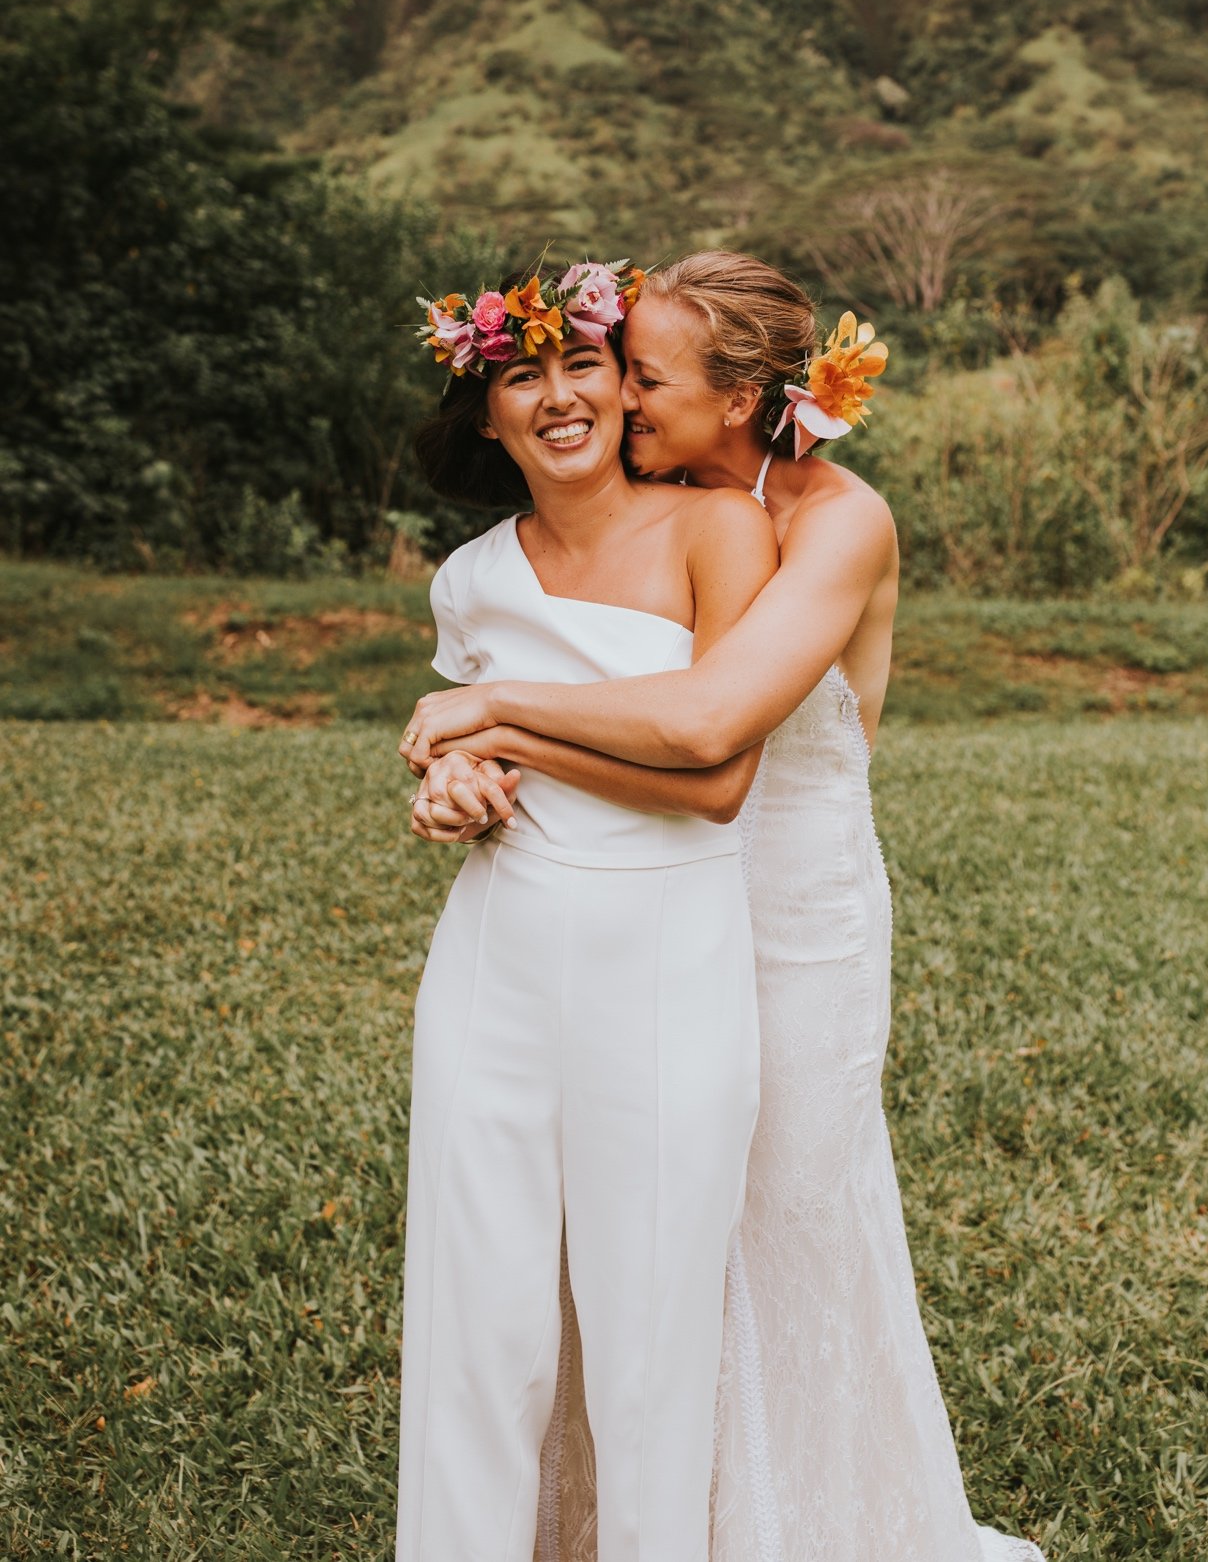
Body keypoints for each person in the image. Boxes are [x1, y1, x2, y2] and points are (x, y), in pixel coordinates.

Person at [406, 253, 1046, 1562]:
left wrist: (492, 717)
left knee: (782, 1218)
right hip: (637, 900)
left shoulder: (837, 518)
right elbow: (568, 632)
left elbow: (707, 728)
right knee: (633, 1234)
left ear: (742, 393)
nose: (622, 396)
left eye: (643, 375)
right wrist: (485, 751)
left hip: (792, 907)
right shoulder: (671, 496)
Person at [394, 262, 779, 1562]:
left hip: (668, 954)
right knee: (478, 1317)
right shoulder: (470, 580)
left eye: (581, 366)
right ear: (488, 414)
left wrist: (500, 722)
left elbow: (719, 779)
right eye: (520, 375)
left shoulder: (714, 532)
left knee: (650, 1326)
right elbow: (471, 754)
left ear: (625, 386)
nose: (557, 396)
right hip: (497, 958)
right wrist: (460, 778)